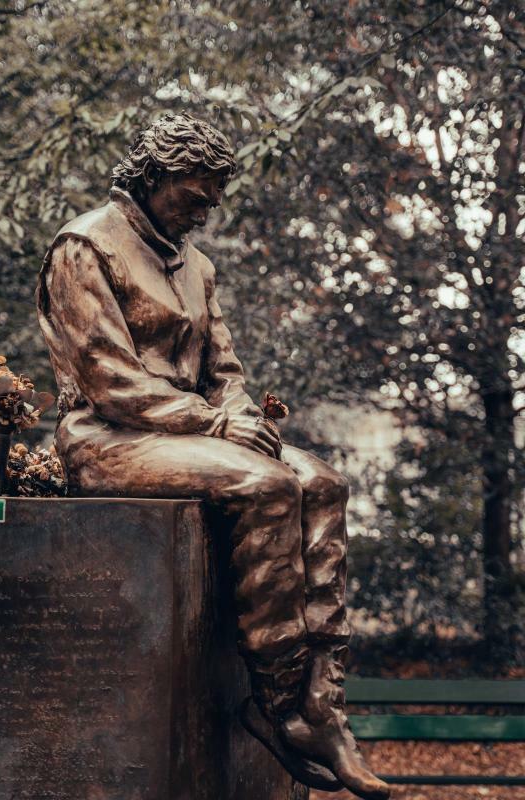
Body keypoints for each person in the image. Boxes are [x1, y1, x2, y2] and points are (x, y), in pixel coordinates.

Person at [35, 113, 389, 800]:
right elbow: (109, 378)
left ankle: (322, 704)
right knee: (266, 485)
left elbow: (224, 369)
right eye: (192, 198)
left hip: (194, 434)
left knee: (321, 481)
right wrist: (214, 422)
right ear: (152, 176)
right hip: (109, 438)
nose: (201, 214)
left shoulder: (196, 264)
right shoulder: (84, 246)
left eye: (210, 202)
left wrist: (239, 413)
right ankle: (277, 699)